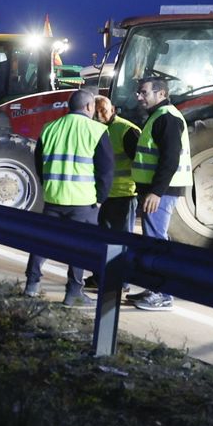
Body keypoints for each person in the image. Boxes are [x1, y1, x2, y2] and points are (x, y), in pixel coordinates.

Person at [23, 90, 113, 306]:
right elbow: (106, 169)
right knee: (80, 247)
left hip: (54, 196)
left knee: (42, 240)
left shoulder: (49, 128)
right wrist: (100, 198)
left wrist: (50, 186)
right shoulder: (97, 130)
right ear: (90, 107)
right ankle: (73, 292)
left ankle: (31, 284)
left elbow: (39, 164)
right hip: (83, 201)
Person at [128, 72, 190, 311]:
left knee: (156, 241)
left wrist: (156, 191)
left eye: (144, 92)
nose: (139, 96)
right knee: (153, 239)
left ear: (161, 93)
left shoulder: (166, 118)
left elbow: (170, 159)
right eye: (140, 92)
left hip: (160, 192)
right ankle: (154, 287)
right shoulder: (159, 116)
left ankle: (163, 294)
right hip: (156, 190)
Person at [85, 94, 140, 289]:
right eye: (97, 111)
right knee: (101, 240)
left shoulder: (126, 130)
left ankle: (120, 282)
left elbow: (140, 164)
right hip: (101, 195)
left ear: (113, 109)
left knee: (120, 242)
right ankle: (99, 277)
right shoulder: (93, 128)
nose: (100, 115)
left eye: (104, 111)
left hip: (123, 195)